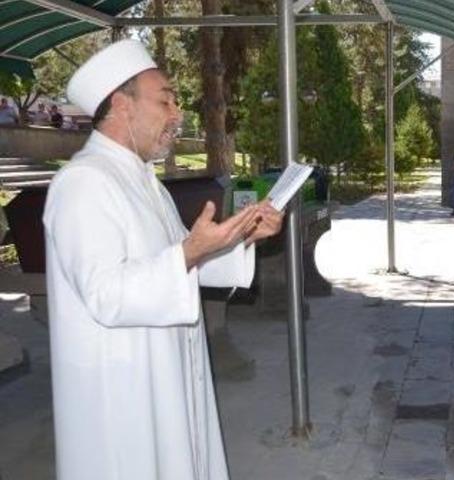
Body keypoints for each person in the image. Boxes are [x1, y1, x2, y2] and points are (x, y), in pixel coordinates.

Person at [43, 40, 284, 480]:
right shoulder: (83, 183)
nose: (177, 114)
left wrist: (241, 239)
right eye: (166, 100)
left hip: (163, 371)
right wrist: (189, 252)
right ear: (122, 105)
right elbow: (106, 294)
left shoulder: (144, 181)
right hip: (122, 389)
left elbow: (182, 263)